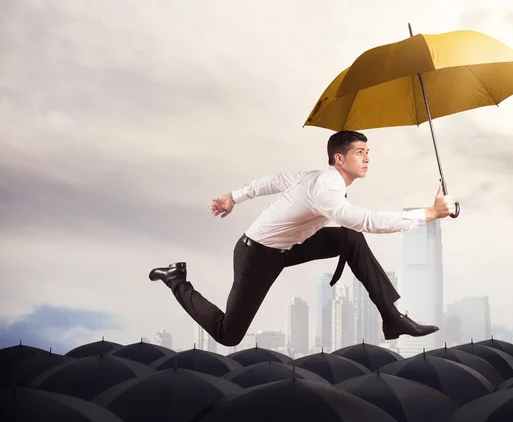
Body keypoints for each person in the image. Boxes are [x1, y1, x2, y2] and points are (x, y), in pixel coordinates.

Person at [149, 130, 456, 346]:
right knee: (228, 335)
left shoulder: (316, 178)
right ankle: (176, 280)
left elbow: (274, 181)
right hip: (255, 256)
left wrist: (233, 196)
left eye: (368, 152)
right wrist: (429, 213)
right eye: (360, 152)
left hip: (284, 249)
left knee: (349, 240)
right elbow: (366, 221)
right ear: (339, 158)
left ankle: (392, 318)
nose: (367, 158)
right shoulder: (326, 190)